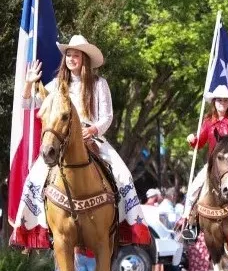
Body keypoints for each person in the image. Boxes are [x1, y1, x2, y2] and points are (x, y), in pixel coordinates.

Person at [11, 35, 150, 248]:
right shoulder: (57, 85)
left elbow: (108, 116)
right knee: (34, 178)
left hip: (92, 138)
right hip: (62, 142)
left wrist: (93, 129)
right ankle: (34, 227)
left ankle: (126, 226)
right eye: (68, 55)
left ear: (84, 59)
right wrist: (29, 83)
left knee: (123, 175)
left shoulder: (99, 84)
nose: (71, 59)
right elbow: (29, 104)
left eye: (76, 55)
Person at [182, 84, 228, 226]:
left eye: (225, 100)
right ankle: (187, 219)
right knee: (194, 187)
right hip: (213, 166)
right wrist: (193, 140)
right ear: (214, 102)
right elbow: (200, 142)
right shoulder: (208, 122)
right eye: (219, 100)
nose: (222, 103)